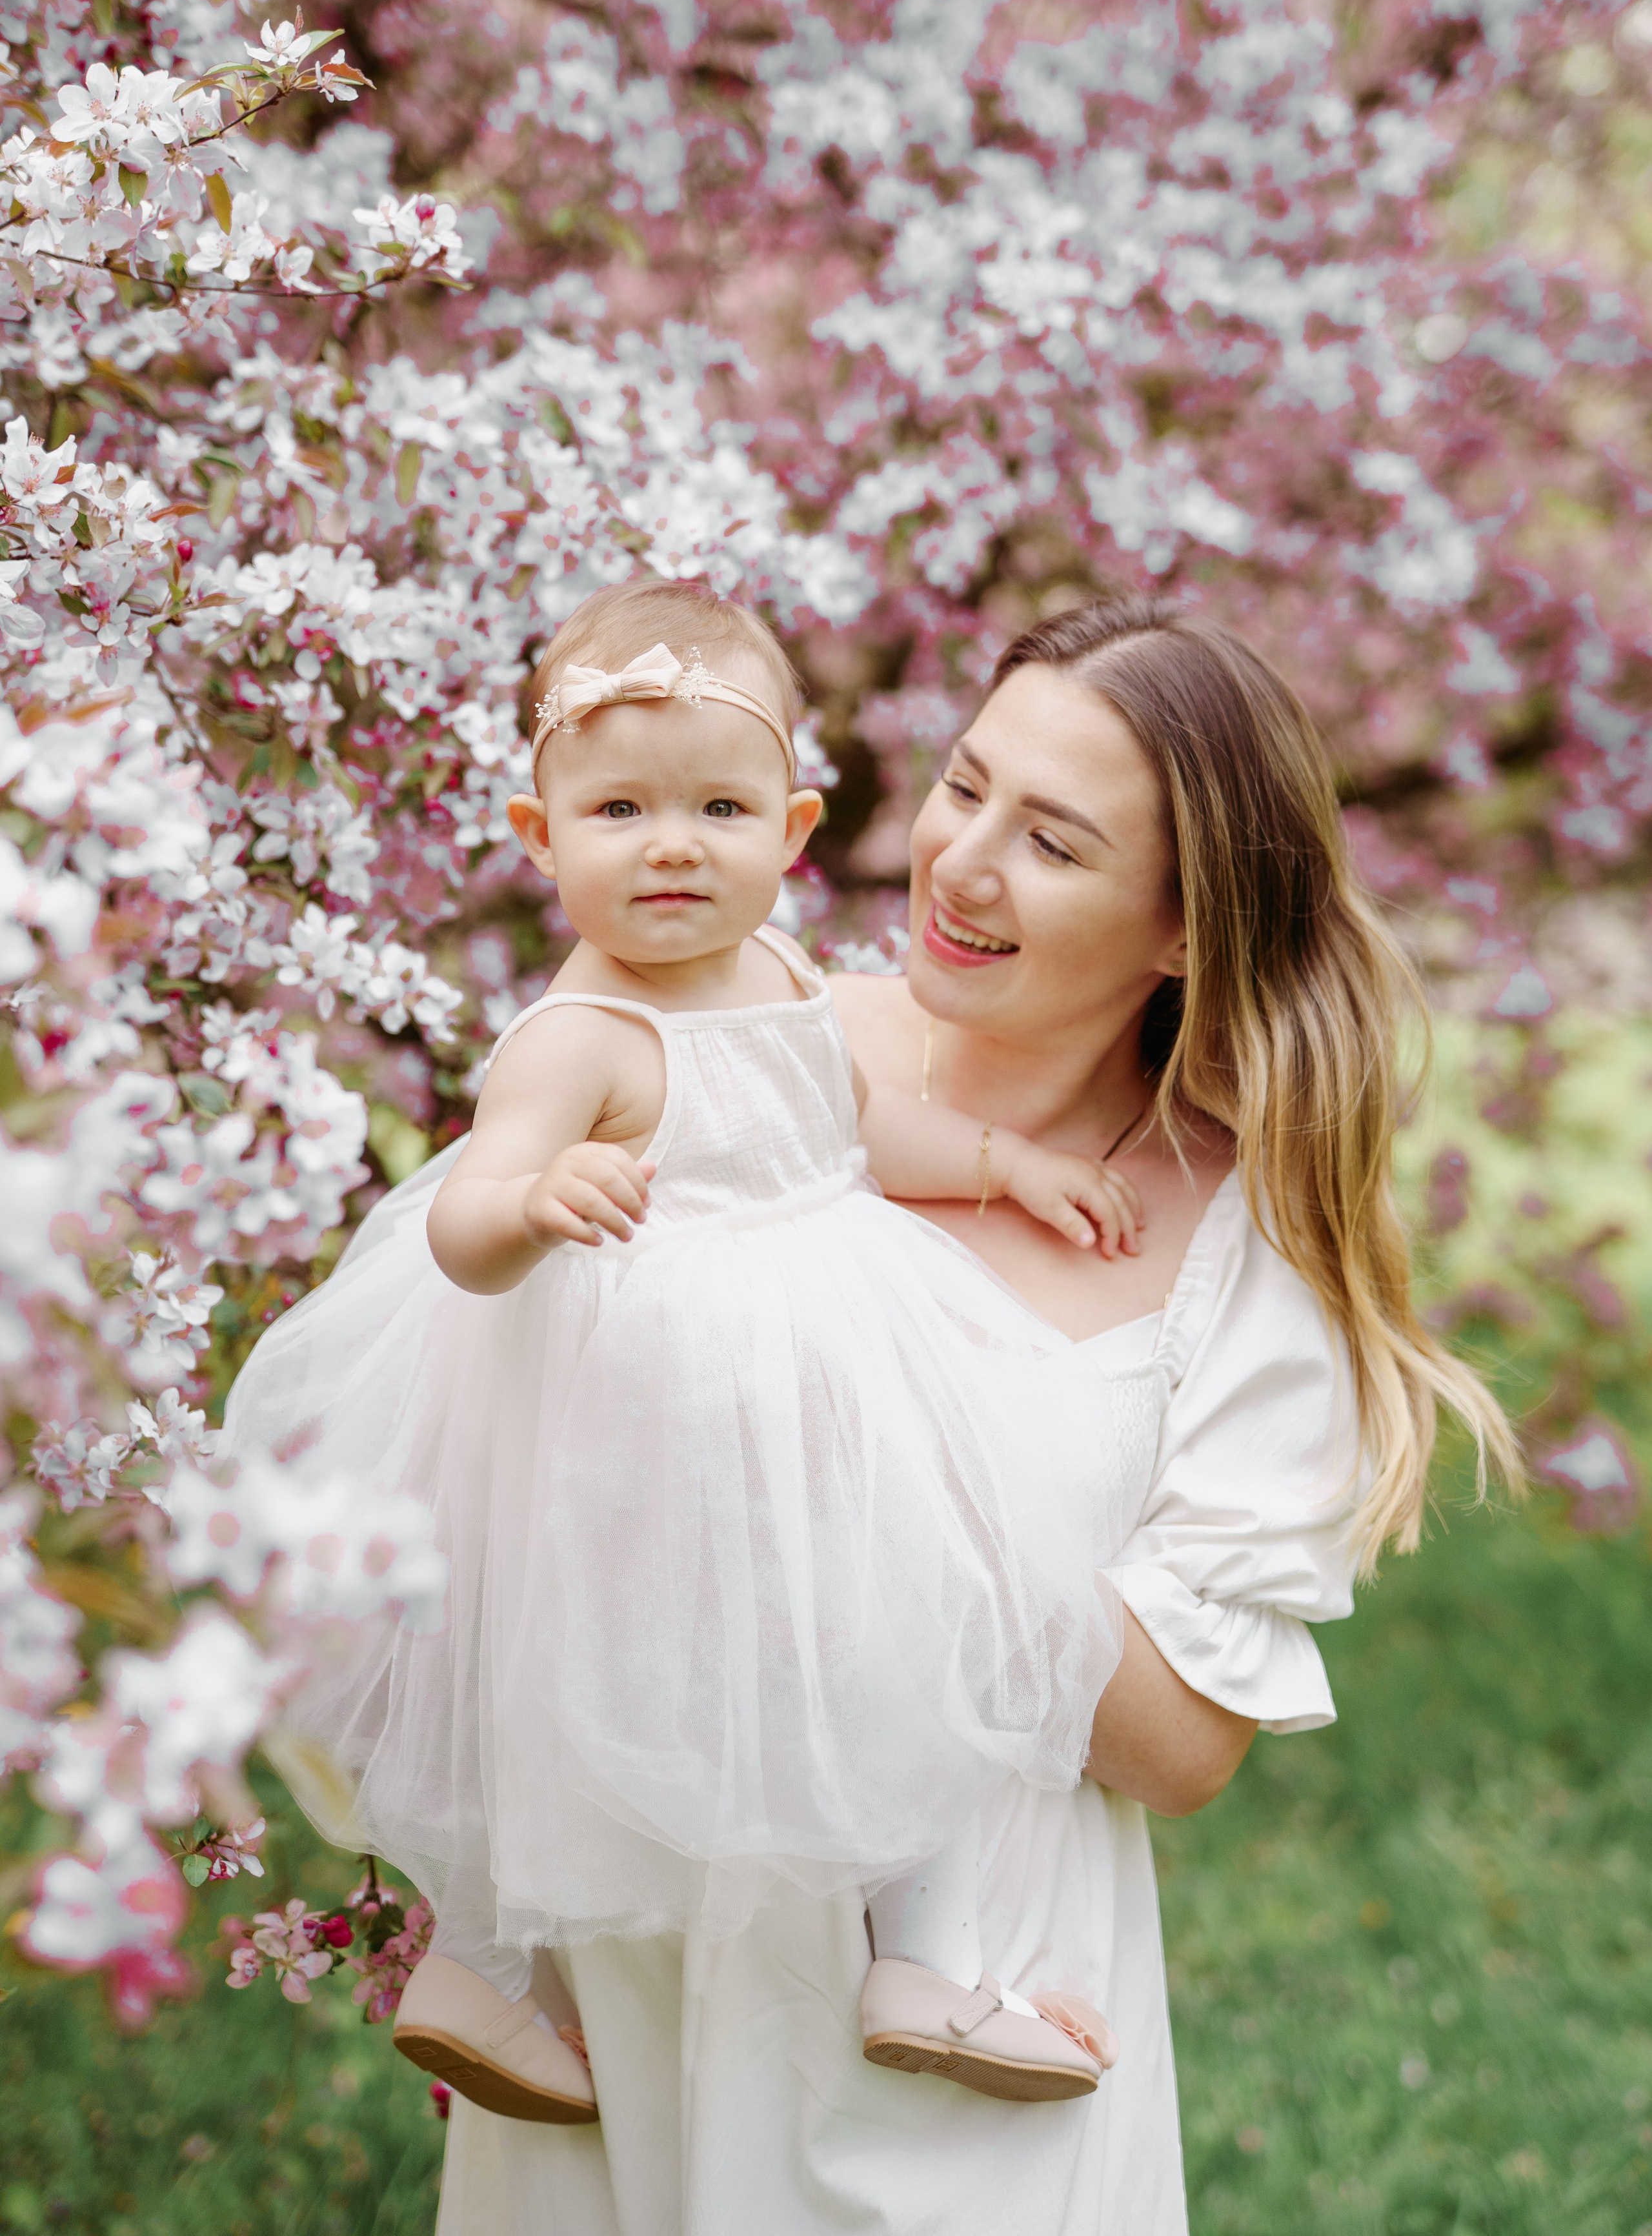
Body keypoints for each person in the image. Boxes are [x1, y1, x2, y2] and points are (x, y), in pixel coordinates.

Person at [429, 591, 1518, 2236]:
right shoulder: (743, 1042)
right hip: (637, 1948)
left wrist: (883, 1465)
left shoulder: (1239, 1263)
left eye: (1054, 843)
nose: (957, 863)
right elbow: (482, 1419)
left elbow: (1174, 1749)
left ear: (1180, 929)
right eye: (963, 786)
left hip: (956, 2012)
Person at [223, 577, 1181, 2128]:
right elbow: (463, 1224)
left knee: (902, 1636)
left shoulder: (789, 976)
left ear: (793, 832)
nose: (672, 845)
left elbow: (857, 1127)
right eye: (618, 809)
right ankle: (476, 1959)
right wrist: (535, 1197)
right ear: (541, 842)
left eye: (719, 807)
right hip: (649, 1426)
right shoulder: (575, 1039)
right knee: (552, 1684)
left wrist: (1003, 1169)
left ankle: (921, 1960)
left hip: (826, 1371)